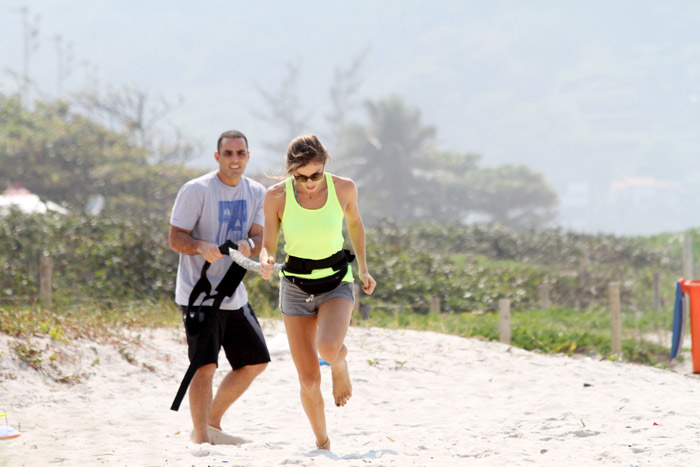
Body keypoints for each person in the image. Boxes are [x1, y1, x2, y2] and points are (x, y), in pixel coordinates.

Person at [259, 134, 376, 451]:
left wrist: (363, 268)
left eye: (315, 175)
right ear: (290, 171)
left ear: (325, 166)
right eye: (301, 176)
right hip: (295, 287)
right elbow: (269, 243)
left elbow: (355, 225)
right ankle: (323, 443)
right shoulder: (276, 197)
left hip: (336, 282)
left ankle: (340, 364)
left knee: (327, 348)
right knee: (309, 380)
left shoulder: (344, 189)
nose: (309, 182)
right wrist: (266, 260)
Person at [169, 130, 270, 445]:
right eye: (228, 153)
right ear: (217, 157)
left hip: (233, 293)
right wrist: (200, 246)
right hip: (199, 296)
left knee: (256, 362)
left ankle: (211, 422)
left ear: (248, 156)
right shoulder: (196, 190)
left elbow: (260, 237)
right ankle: (201, 440)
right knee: (204, 366)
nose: (235, 159)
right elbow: (176, 238)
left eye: (240, 153)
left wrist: (250, 246)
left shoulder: (257, 192)